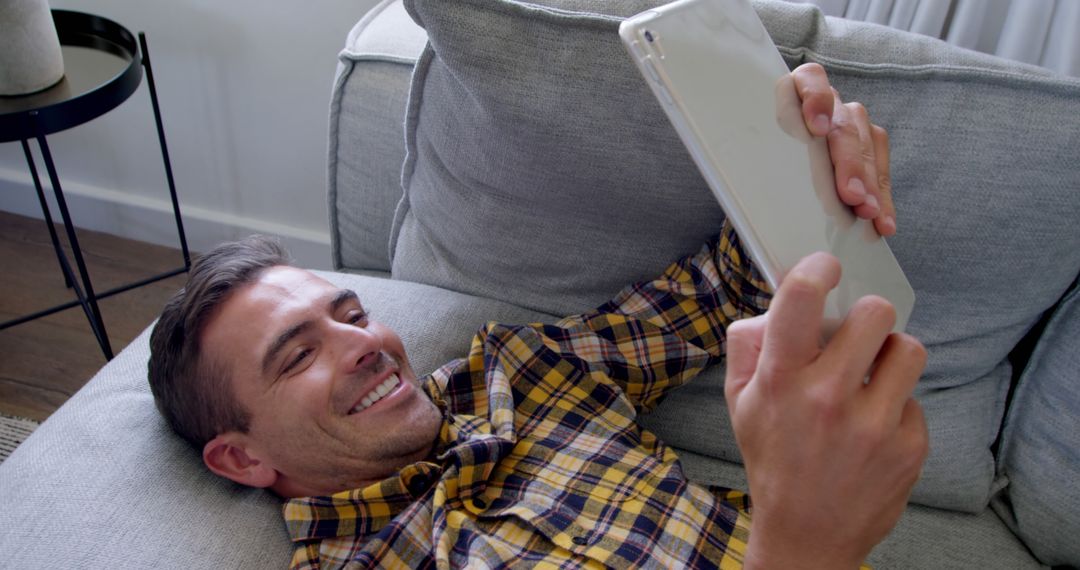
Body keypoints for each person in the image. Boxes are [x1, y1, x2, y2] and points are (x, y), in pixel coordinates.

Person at [148, 64, 927, 569]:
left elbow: (717, 292)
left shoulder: (513, 374)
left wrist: (801, 162)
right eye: (295, 356)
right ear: (241, 460)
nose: (363, 346)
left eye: (350, 313)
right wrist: (806, 550)